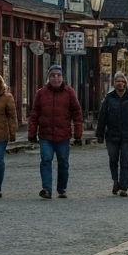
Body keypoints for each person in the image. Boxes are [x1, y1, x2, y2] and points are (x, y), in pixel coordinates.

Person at [28, 64, 83, 199]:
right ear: (49, 78)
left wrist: (78, 134)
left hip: (63, 134)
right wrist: (31, 133)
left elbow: (77, 114)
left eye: (59, 76)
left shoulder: (69, 92)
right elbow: (34, 114)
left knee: (63, 162)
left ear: (62, 78)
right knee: (46, 160)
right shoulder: (41, 93)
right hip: (46, 134)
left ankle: (61, 188)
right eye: (53, 75)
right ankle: (46, 189)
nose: (56, 78)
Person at [95, 71, 128, 197]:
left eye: (122, 81)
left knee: (125, 161)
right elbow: (102, 117)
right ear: (114, 83)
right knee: (113, 160)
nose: (120, 83)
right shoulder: (109, 98)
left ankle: (123, 188)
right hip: (112, 135)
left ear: (125, 83)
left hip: (127, 136)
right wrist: (99, 134)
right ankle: (115, 180)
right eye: (117, 81)